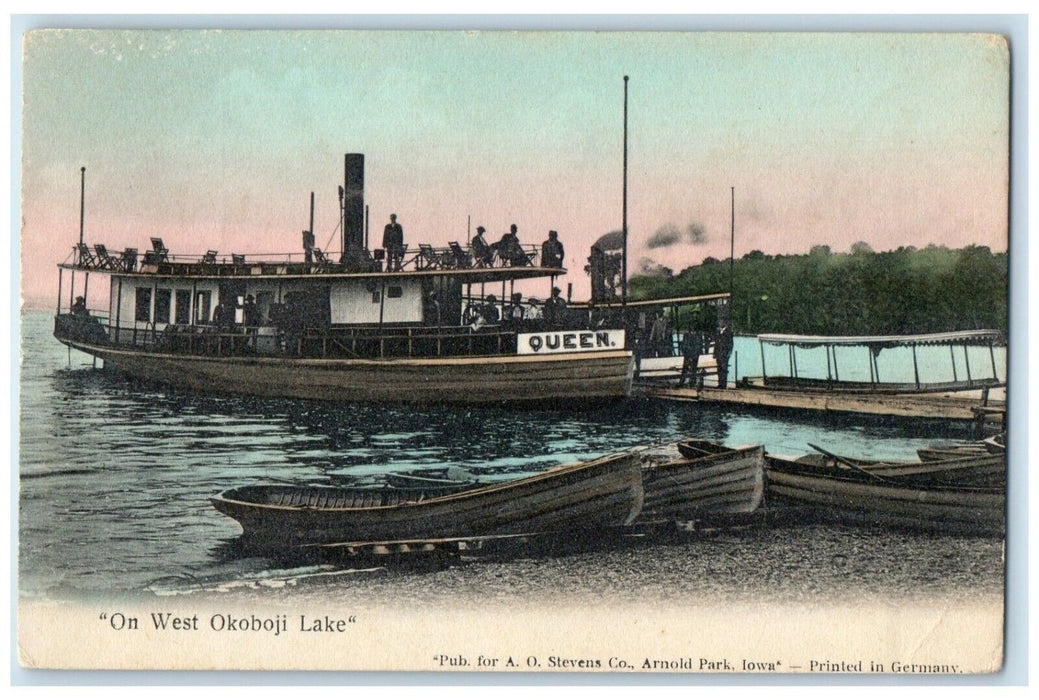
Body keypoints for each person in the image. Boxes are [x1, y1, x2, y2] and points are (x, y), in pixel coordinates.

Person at [714, 320, 734, 388]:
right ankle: (720, 383)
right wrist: (715, 353)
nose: (720, 323)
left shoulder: (729, 332)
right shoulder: (718, 332)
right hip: (718, 354)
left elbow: (731, 344)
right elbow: (716, 343)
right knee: (719, 369)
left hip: (724, 354)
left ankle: (723, 384)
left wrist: (729, 353)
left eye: (722, 322)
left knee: (724, 369)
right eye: (720, 322)